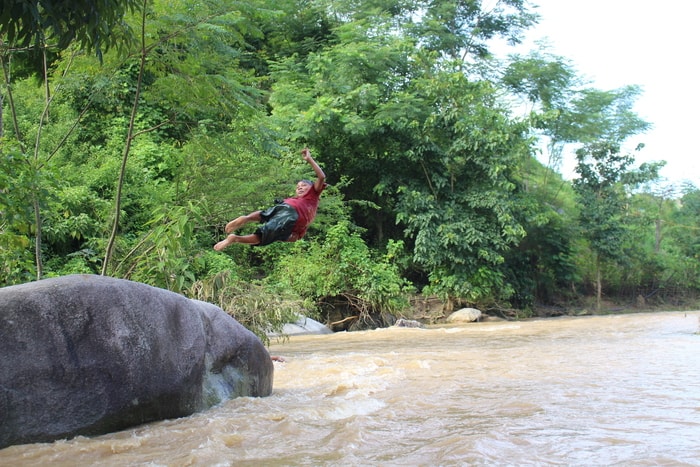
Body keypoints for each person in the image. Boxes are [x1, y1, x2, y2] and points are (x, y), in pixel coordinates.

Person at [214, 148, 326, 250]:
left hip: (284, 207)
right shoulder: (313, 194)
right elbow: (321, 176)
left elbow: (293, 237)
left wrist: (281, 236)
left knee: (266, 214)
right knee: (263, 237)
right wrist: (309, 159)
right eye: (298, 187)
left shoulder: (302, 205)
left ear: (310, 187)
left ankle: (246, 218)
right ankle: (235, 238)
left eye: (303, 186)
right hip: (292, 213)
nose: (300, 187)